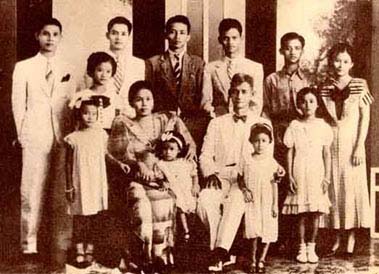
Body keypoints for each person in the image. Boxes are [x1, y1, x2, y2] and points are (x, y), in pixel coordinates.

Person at [107, 80, 196, 273]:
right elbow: (118, 154)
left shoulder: (165, 120)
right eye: (138, 100)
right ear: (131, 102)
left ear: (154, 101)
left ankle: (161, 256)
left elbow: (187, 144)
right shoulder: (124, 124)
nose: (144, 104)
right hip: (136, 179)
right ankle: (142, 257)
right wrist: (138, 165)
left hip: (163, 178)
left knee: (163, 201)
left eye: (148, 99)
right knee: (142, 206)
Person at [11, 17, 76, 257]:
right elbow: (18, 104)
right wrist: (23, 134)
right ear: (37, 36)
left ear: (60, 37)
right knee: (31, 190)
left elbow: (72, 103)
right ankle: (29, 244)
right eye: (45, 33)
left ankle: (59, 243)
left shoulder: (69, 67)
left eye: (55, 34)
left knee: (61, 192)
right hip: (35, 134)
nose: (50, 38)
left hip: (63, 135)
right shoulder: (24, 67)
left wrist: (70, 135)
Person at [197, 73, 271, 271]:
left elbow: (266, 158)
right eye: (235, 92)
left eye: (244, 92)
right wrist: (210, 173)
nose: (239, 96)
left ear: (252, 95)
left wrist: (251, 180)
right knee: (205, 201)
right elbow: (204, 155)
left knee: (237, 201)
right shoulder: (217, 123)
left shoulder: (262, 123)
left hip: (246, 180)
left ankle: (219, 253)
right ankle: (223, 251)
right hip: (220, 175)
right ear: (229, 94)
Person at [319, 43, 373, 257]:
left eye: (344, 61)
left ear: (351, 63)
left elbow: (365, 117)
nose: (340, 65)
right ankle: (337, 237)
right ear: (331, 62)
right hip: (331, 144)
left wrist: (360, 145)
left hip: (352, 143)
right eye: (336, 60)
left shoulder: (360, 85)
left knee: (350, 188)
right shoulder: (324, 87)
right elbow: (323, 117)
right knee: (333, 188)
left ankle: (350, 237)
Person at [64, 95, 130, 268]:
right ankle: (79, 249)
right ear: (80, 115)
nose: (90, 117)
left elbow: (105, 155)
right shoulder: (73, 138)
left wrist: (120, 164)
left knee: (94, 218)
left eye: (93, 114)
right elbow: (68, 163)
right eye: (86, 113)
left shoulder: (101, 135)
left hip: (96, 181)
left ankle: (90, 250)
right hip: (80, 182)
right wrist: (69, 186)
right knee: (80, 219)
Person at [262, 32, 312, 252]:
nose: (292, 52)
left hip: (302, 136)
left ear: (302, 50)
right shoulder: (272, 79)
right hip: (280, 136)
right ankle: (276, 239)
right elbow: (265, 110)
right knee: (281, 185)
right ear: (281, 50)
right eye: (288, 48)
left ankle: (297, 241)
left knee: (300, 184)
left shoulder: (308, 79)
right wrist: (272, 136)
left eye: (297, 48)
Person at [281, 88, 333, 263]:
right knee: (301, 212)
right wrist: (290, 176)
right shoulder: (294, 126)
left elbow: (327, 154)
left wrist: (327, 177)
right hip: (300, 170)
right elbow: (290, 152)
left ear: (317, 104)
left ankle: (312, 246)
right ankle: (301, 247)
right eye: (303, 101)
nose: (307, 105)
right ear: (298, 105)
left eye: (311, 101)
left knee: (316, 212)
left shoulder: (323, 126)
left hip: (317, 171)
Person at [145, 15, 211, 151]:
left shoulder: (198, 63)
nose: (177, 37)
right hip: (162, 124)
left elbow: (203, 98)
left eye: (182, 33)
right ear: (166, 35)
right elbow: (148, 95)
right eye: (173, 32)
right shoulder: (154, 63)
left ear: (188, 37)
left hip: (192, 125)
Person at [82, 16, 145, 117]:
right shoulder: (96, 60)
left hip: (130, 117)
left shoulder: (138, 64)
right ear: (107, 35)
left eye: (123, 34)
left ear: (129, 36)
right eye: (114, 33)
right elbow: (88, 90)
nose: (118, 38)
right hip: (102, 117)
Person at [203, 18, 264, 117]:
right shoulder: (210, 68)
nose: (231, 42)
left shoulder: (255, 68)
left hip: (246, 122)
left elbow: (257, 102)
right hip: (220, 121)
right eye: (226, 38)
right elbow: (206, 102)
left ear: (241, 38)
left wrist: (243, 119)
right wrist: (217, 117)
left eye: (234, 38)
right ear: (220, 40)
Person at [156, 130, 199, 243]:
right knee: (179, 207)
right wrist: (163, 183)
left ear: (179, 150)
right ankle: (186, 230)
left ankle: (193, 229)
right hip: (174, 189)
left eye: (171, 149)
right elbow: (160, 178)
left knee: (192, 206)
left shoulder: (185, 162)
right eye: (165, 149)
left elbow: (194, 174)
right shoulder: (161, 164)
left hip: (187, 188)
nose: (167, 152)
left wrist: (195, 185)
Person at [70, 52, 119, 132]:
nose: (104, 75)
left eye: (108, 71)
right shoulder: (81, 96)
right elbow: (75, 123)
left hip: (109, 139)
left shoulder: (114, 97)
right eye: (99, 70)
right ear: (92, 71)